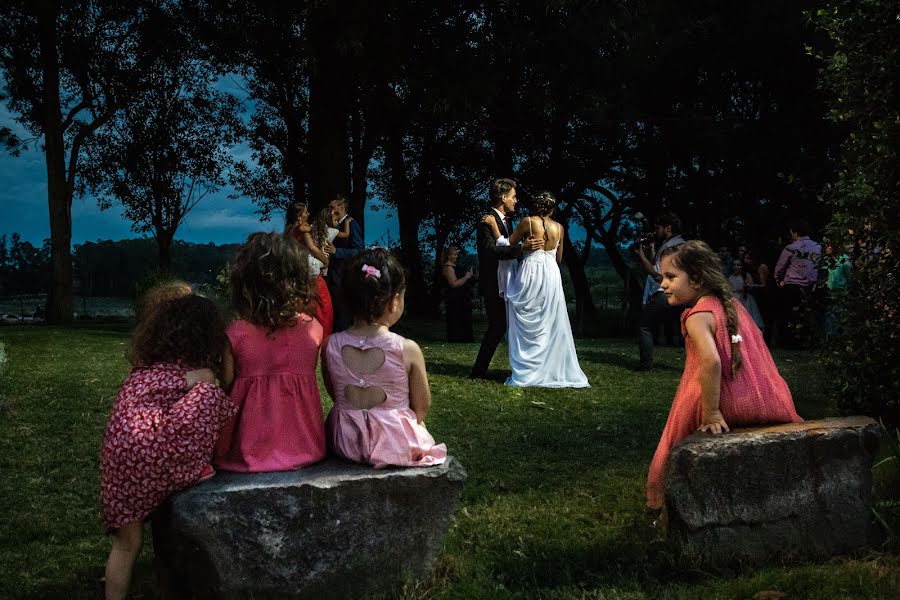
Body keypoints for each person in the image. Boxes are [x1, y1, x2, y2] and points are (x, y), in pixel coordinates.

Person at [646, 240, 802, 508]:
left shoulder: (697, 315)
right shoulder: (732, 305)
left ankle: (661, 503)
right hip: (761, 397)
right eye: (662, 278)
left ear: (696, 279)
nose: (663, 285)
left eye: (670, 277)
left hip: (724, 403)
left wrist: (711, 412)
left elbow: (711, 361)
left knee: (667, 452)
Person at [101, 293, 236, 600]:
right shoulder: (196, 373)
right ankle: (193, 468)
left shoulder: (143, 370)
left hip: (118, 462)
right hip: (154, 456)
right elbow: (225, 386)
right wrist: (226, 354)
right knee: (209, 396)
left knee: (125, 545)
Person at [322, 248, 447, 468]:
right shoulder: (407, 349)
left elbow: (335, 393)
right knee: (419, 428)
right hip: (394, 444)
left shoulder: (331, 345)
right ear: (394, 302)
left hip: (346, 441)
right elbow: (421, 407)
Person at [214, 232, 327, 472]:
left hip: (246, 449)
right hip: (306, 445)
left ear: (245, 284)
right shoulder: (313, 330)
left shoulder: (236, 333)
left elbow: (225, 384)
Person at [483, 190, 589, 388]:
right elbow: (559, 258)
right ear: (552, 208)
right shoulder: (560, 228)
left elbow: (507, 244)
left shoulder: (528, 222)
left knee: (526, 318)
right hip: (551, 274)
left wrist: (493, 228)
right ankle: (547, 369)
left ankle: (529, 369)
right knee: (548, 320)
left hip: (531, 272)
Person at [470, 178, 543, 379]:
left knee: (502, 326)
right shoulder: (486, 220)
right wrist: (521, 248)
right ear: (503, 197)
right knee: (498, 326)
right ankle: (478, 371)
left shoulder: (504, 221)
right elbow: (490, 251)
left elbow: (503, 245)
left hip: (507, 281)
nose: (516, 201)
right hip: (494, 282)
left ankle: (513, 368)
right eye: (513, 197)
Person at [635, 212, 687, 371]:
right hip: (683, 292)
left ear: (668, 228)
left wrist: (641, 256)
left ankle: (646, 365)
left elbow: (657, 276)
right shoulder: (682, 244)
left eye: (658, 228)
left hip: (665, 293)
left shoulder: (668, 248)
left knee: (644, 326)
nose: (655, 231)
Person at [286, 203, 335, 337]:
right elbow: (312, 248)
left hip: (297, 274)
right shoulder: (303, 230)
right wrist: (325, 260)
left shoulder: (288, 231)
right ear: (298, 216)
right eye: (305, 212)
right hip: (311, 274)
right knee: (324, 307)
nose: (308, 215)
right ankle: (322, 339)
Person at [774, 219, 821, 347]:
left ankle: (790, 341)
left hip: (792, 286)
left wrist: (778, 280)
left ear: (795, 233)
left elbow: (780, 267)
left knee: (790, 314)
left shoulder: (791, 248)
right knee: (808, 314)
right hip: (812, 286)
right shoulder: (818, 247)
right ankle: (809, 341)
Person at [324, 195, 364, 332]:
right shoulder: (334, 225)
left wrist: (337, 251)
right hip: (332, 275)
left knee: (342, 313)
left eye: (332, 207)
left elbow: (358, 251)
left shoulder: (352, 224)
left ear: (341, 208)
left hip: (343, 275)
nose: (329, 210)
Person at [441, 246, 474, 342]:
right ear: (448, 256)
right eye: (454, 254)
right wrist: (466, 277)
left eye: (456, 254)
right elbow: (454, 283)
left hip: (461, 299)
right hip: (454, 300)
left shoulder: (455, 266)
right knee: (456, 320)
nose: (456, 256)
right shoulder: (448, 268)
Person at [727, 260, 765, 331]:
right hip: (735, 299)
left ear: (742, 266)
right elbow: (729, 289)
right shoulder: (730, 277)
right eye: (734, 265)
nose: (736, 267)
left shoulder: (745, 275)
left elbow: (751, 287)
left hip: (746, 299)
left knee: (749, 319)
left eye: (738, 265)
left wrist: (747, 287)